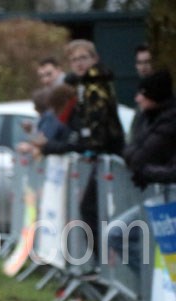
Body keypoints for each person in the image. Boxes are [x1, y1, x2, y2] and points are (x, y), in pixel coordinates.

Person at [63, 40, 125, 267]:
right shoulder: (82, 85)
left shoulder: (96, 84)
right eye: (74, 60)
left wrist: (89, 147)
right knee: (91, 209)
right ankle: (103, 263)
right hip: (100, 153)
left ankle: (105, 264)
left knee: (92, 208)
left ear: (94, 59)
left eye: (83, 58)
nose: (79, 63)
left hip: (108, 154)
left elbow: (99, 122)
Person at [108, 70, 176, 272]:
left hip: (168, 198)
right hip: (160, 198)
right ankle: (150, 287)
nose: (137, 98)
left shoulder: (169, 120)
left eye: (142, 93)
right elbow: (130, 150)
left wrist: (146, 171)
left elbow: (139, 157)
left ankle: (152, 286)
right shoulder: (146, 117)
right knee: (116, 233)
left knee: (118, 233)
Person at [129, 44, 154, 143]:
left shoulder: (160, 94)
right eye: (139, 63)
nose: (143, 67)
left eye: (147, 62)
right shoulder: (141, 90)